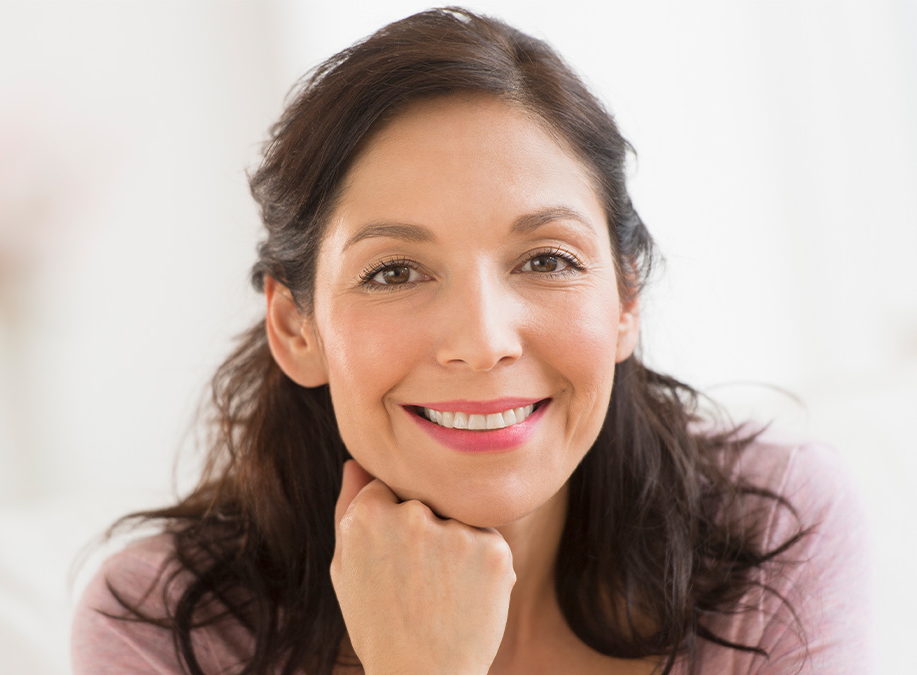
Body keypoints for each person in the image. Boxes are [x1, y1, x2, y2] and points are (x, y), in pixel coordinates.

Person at [71, 7, 872, 674]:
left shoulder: (770, 534)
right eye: (394, 272)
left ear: (626, 298)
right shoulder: (163, 630)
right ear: (295, 326)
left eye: (546, 259)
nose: (483, 340)